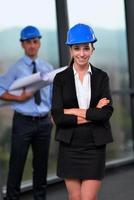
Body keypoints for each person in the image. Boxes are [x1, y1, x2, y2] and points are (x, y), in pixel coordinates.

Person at [51, 23, 113, 200]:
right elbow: (58, 117)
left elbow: (106, 113)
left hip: (95, 144)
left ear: (93, 49)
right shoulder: (60, 79)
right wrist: (91, 112)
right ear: (70, 50)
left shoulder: (102, 77)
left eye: (86, 48)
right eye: (77, 48)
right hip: (69, 144)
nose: (82, 53)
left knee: (87, 198)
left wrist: (72, 111)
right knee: (75, 197)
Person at [0, 25, 53, 200]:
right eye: (28, 42)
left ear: (39, 44)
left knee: (41, 167)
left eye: (35, 41)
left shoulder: (47, 67)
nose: (32, 45)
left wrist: (52, 114)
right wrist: (18, 99)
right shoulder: (16, 68)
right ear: (22, 45)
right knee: (17, 165)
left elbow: (51, 95)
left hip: (44, 123)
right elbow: (1, 90)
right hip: (23, 122)